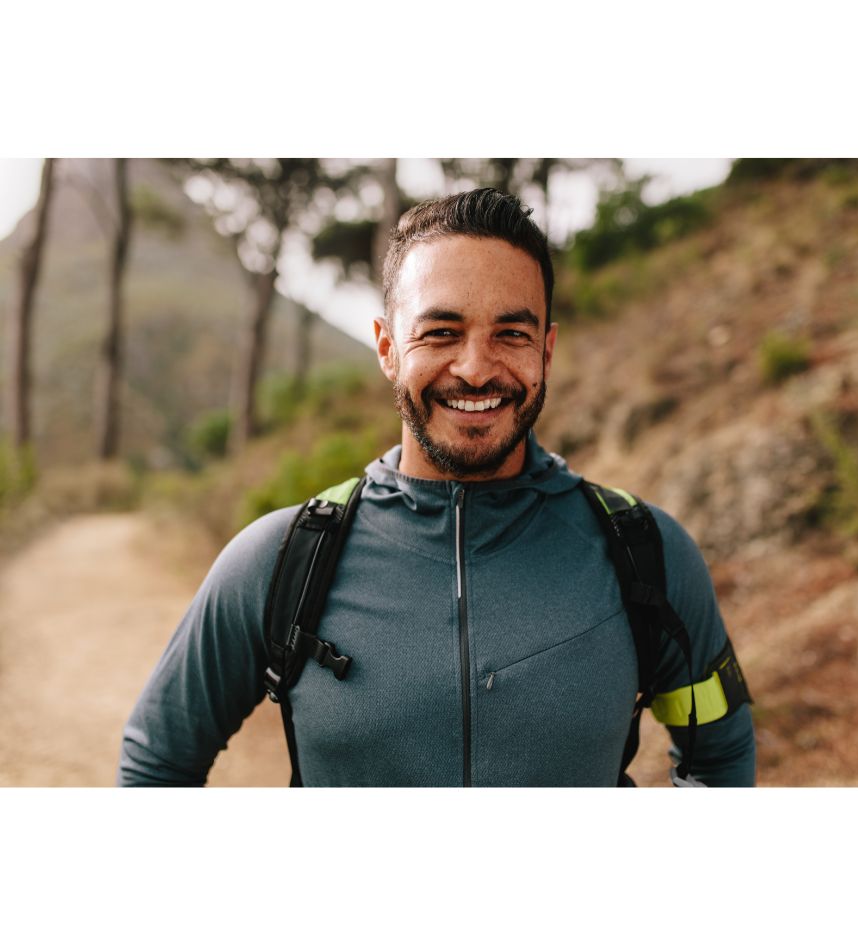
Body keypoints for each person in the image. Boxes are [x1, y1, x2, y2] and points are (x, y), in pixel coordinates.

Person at [119, 188, 755, 787]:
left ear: (547, 350)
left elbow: (719, 757)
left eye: (512, 333)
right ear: (387, 348)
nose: (475, 369)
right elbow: (158, 763)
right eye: (441, 332)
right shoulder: (281, 560)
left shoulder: (647, 552)